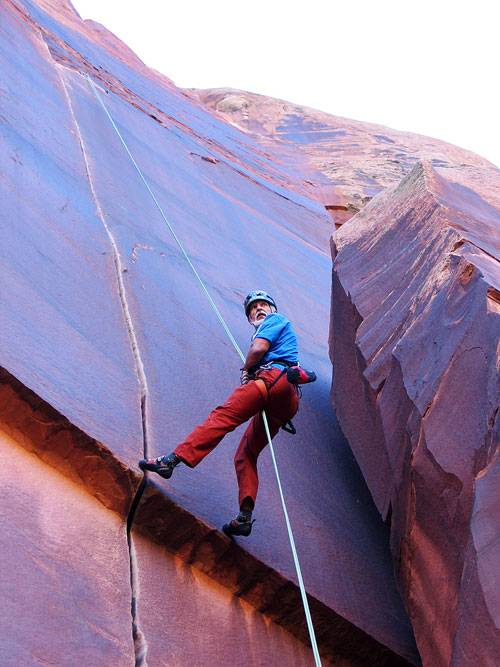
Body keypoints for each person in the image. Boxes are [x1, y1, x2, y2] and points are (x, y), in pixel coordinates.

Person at [139, 290, 302, 537]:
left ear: (272, 309)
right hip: (286, 398)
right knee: (246, 454)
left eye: (263, 305)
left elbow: (258, 348)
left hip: (272, 380)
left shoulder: (275, 321)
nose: (258, 309)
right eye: (253, 309)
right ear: (249, 319)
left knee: (221, 418)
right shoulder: (275, 328)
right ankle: (244, 517)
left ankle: (170, 461)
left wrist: (248, 370)